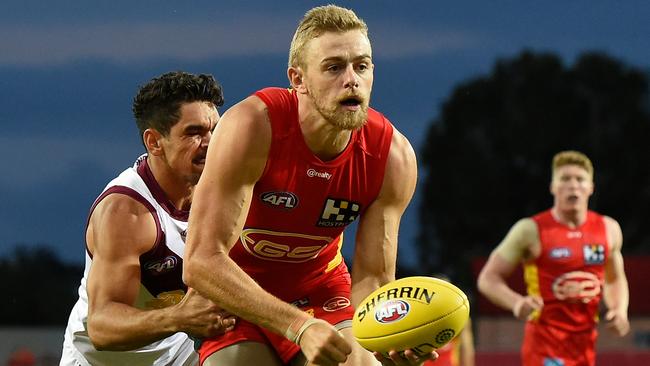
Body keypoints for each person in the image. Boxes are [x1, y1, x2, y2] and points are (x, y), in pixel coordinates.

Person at [183, 5, 434, 366]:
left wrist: (387, 339)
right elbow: (201, 262)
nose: (352, 80)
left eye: (361, 66)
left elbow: (374, 280)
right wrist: (298, 326)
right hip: (237, 292)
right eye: (334, 67)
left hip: (321, 288)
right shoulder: (252, 126)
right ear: (298, 79)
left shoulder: (393, 155)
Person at [60, 71, 236, 366]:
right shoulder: (125, 211)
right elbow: (102, 327)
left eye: (214, 131)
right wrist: (180, 317)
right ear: (154, 142)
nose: (210, 143)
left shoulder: (227, 191)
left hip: (181, 354)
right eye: (194, 132)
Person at [477, 150, 630, 366]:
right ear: (553, 187)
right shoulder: (529, 230)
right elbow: (488, 278)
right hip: (544, 344)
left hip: (586, 344)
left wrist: (619, 309)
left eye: (580, 179)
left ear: (591, 188)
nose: (573, 185)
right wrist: (516, 303)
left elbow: (615, 278)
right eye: (565, 179)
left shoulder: (609, 229)